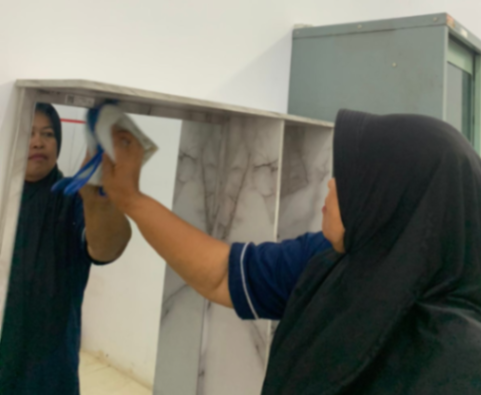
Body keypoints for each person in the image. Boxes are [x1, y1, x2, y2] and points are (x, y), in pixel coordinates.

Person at [102, 109, 481, 394]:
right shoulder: (329, 261)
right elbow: (221, 273)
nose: (330, 185)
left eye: (355, 180)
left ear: (392, 203)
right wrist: (131, 199)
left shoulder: (460, 361)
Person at [0, 103, 132, 395]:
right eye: (29, 133)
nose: (38, 142)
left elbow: (107, 248)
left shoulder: (71, 197)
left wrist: (99, 200)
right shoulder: (3, 197)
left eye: (48, 134)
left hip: (50, 371)